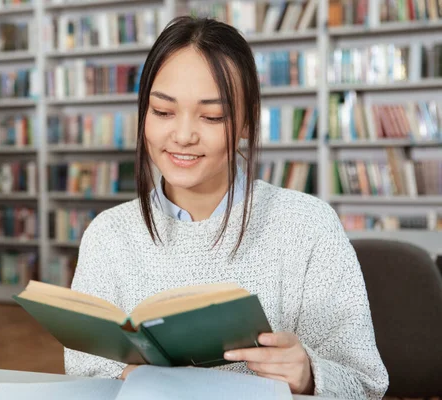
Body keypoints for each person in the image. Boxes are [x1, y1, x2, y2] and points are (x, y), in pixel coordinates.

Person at [64, 16, 388, 399]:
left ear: (248, 121)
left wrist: (309, 376)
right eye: (163, 112)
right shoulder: (108, 234)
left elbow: (366, 386)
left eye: (212, 116)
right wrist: (131, 379)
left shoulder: (308, 226)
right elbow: (84, 375)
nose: (183, 136)